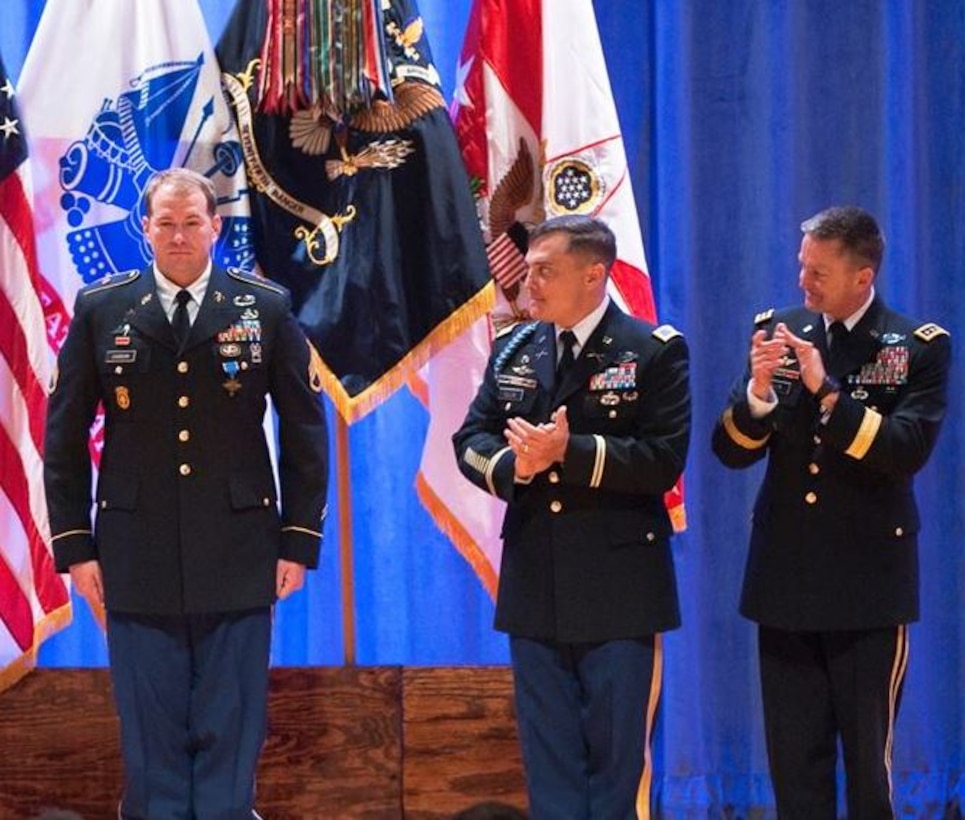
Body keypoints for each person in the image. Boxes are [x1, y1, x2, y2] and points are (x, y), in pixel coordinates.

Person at [44, 168, 330, 819]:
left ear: (215, 227)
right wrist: (76, 547)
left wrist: (298, 538)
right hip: (133, 548)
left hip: (238, 546)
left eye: (191, 222)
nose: (178, 235)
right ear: (145, 229)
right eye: (165, 223)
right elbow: (62, 438)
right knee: (151, 729)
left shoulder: (264, 307)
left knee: (230, 724)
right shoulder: (103, 308)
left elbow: (306, 432)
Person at [712, 206, 951, 819]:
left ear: (862, 277)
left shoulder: (914, 347)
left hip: (867, 584)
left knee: (869, 770)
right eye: (802, 267)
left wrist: (827, 393)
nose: (803, 283)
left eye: (818, 272)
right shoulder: (779, 330)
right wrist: (759, 397)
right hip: (785, 579)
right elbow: (731, 453)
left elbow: (905, 451)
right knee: (795, 766)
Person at [453, 215, 690, 819]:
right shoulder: (515, 347)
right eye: (529, 269)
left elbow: (663, 460)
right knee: (550, 764)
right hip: (537, 584)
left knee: (614, 769)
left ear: (593, 274)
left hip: (619, 588)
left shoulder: (652, 349)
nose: (529, 283)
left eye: (544, 271)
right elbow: (470, 439)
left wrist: (570, 452)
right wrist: (520, 467)